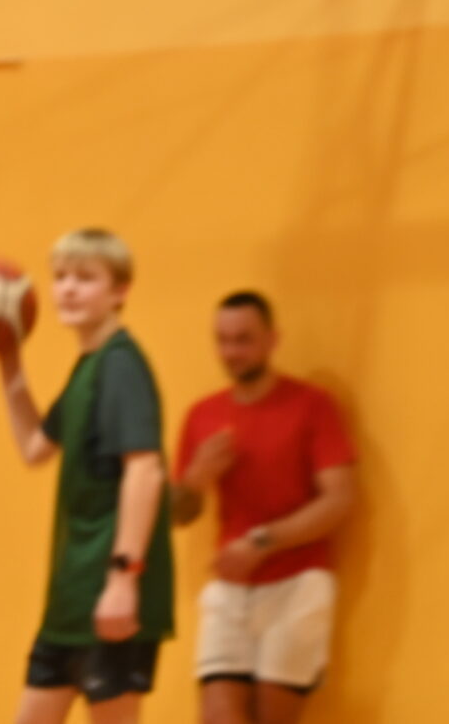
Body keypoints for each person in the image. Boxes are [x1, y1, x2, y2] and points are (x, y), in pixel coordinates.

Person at [0, 229, 174, 723]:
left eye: (86, 278)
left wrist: (123, 579)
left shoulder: (121, 365)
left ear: (120, 291)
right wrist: (9, 361)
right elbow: (35, 447)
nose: (68, 288)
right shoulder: (88, 367)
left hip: (110, 585)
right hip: (73, 593)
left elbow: (145, 470)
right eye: (61, 277)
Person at [171, 292, 356, 724]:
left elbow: (339, 499)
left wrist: (262, 542)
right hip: (230, 588)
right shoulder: (202, 414)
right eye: (222, 340)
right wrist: (195, 478)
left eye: (243, 339)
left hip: (299, 581)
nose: (231, 352)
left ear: (272, 340)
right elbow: (179, 514)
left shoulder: (312, 405)